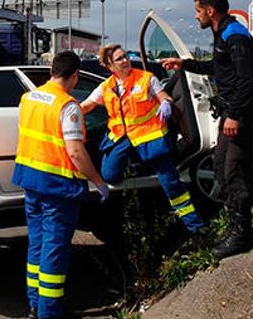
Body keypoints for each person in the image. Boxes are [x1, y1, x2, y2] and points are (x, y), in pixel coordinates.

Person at [161, 0, 253, 258]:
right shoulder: (222, 34)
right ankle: (235, 227)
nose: (196, 17)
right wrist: (183, 64)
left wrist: (234, 115)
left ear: (210, 11)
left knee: (233, 171)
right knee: (221, 167)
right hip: (233, 112)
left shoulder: (236, 36)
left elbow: (249, 82)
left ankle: (242, 235)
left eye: (198, 11)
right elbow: (217, 68)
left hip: (242, 114)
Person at [12, 51, 109, 319]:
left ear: (52, 70)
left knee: (38, 243)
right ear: (75, 76)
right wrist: (98, 182)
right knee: (54, 247)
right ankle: (50, 311)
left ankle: (34, 303)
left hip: (31, 181)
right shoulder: (68, 106)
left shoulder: (28, 98)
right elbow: (76, 152)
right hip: (58, 186)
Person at [81, 44, 206, 234]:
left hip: (149, 136)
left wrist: (166, 103)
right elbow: (87, 105)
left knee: (170, 183)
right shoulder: (106, 87)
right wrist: (68, 111)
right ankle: (135, 166)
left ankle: (195, 226)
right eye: (120, 59)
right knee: (110, 175)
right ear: (109, 65)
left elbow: (164, 96)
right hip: (121, 138)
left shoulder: (146, 78)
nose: (125, 61)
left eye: (125, 56)